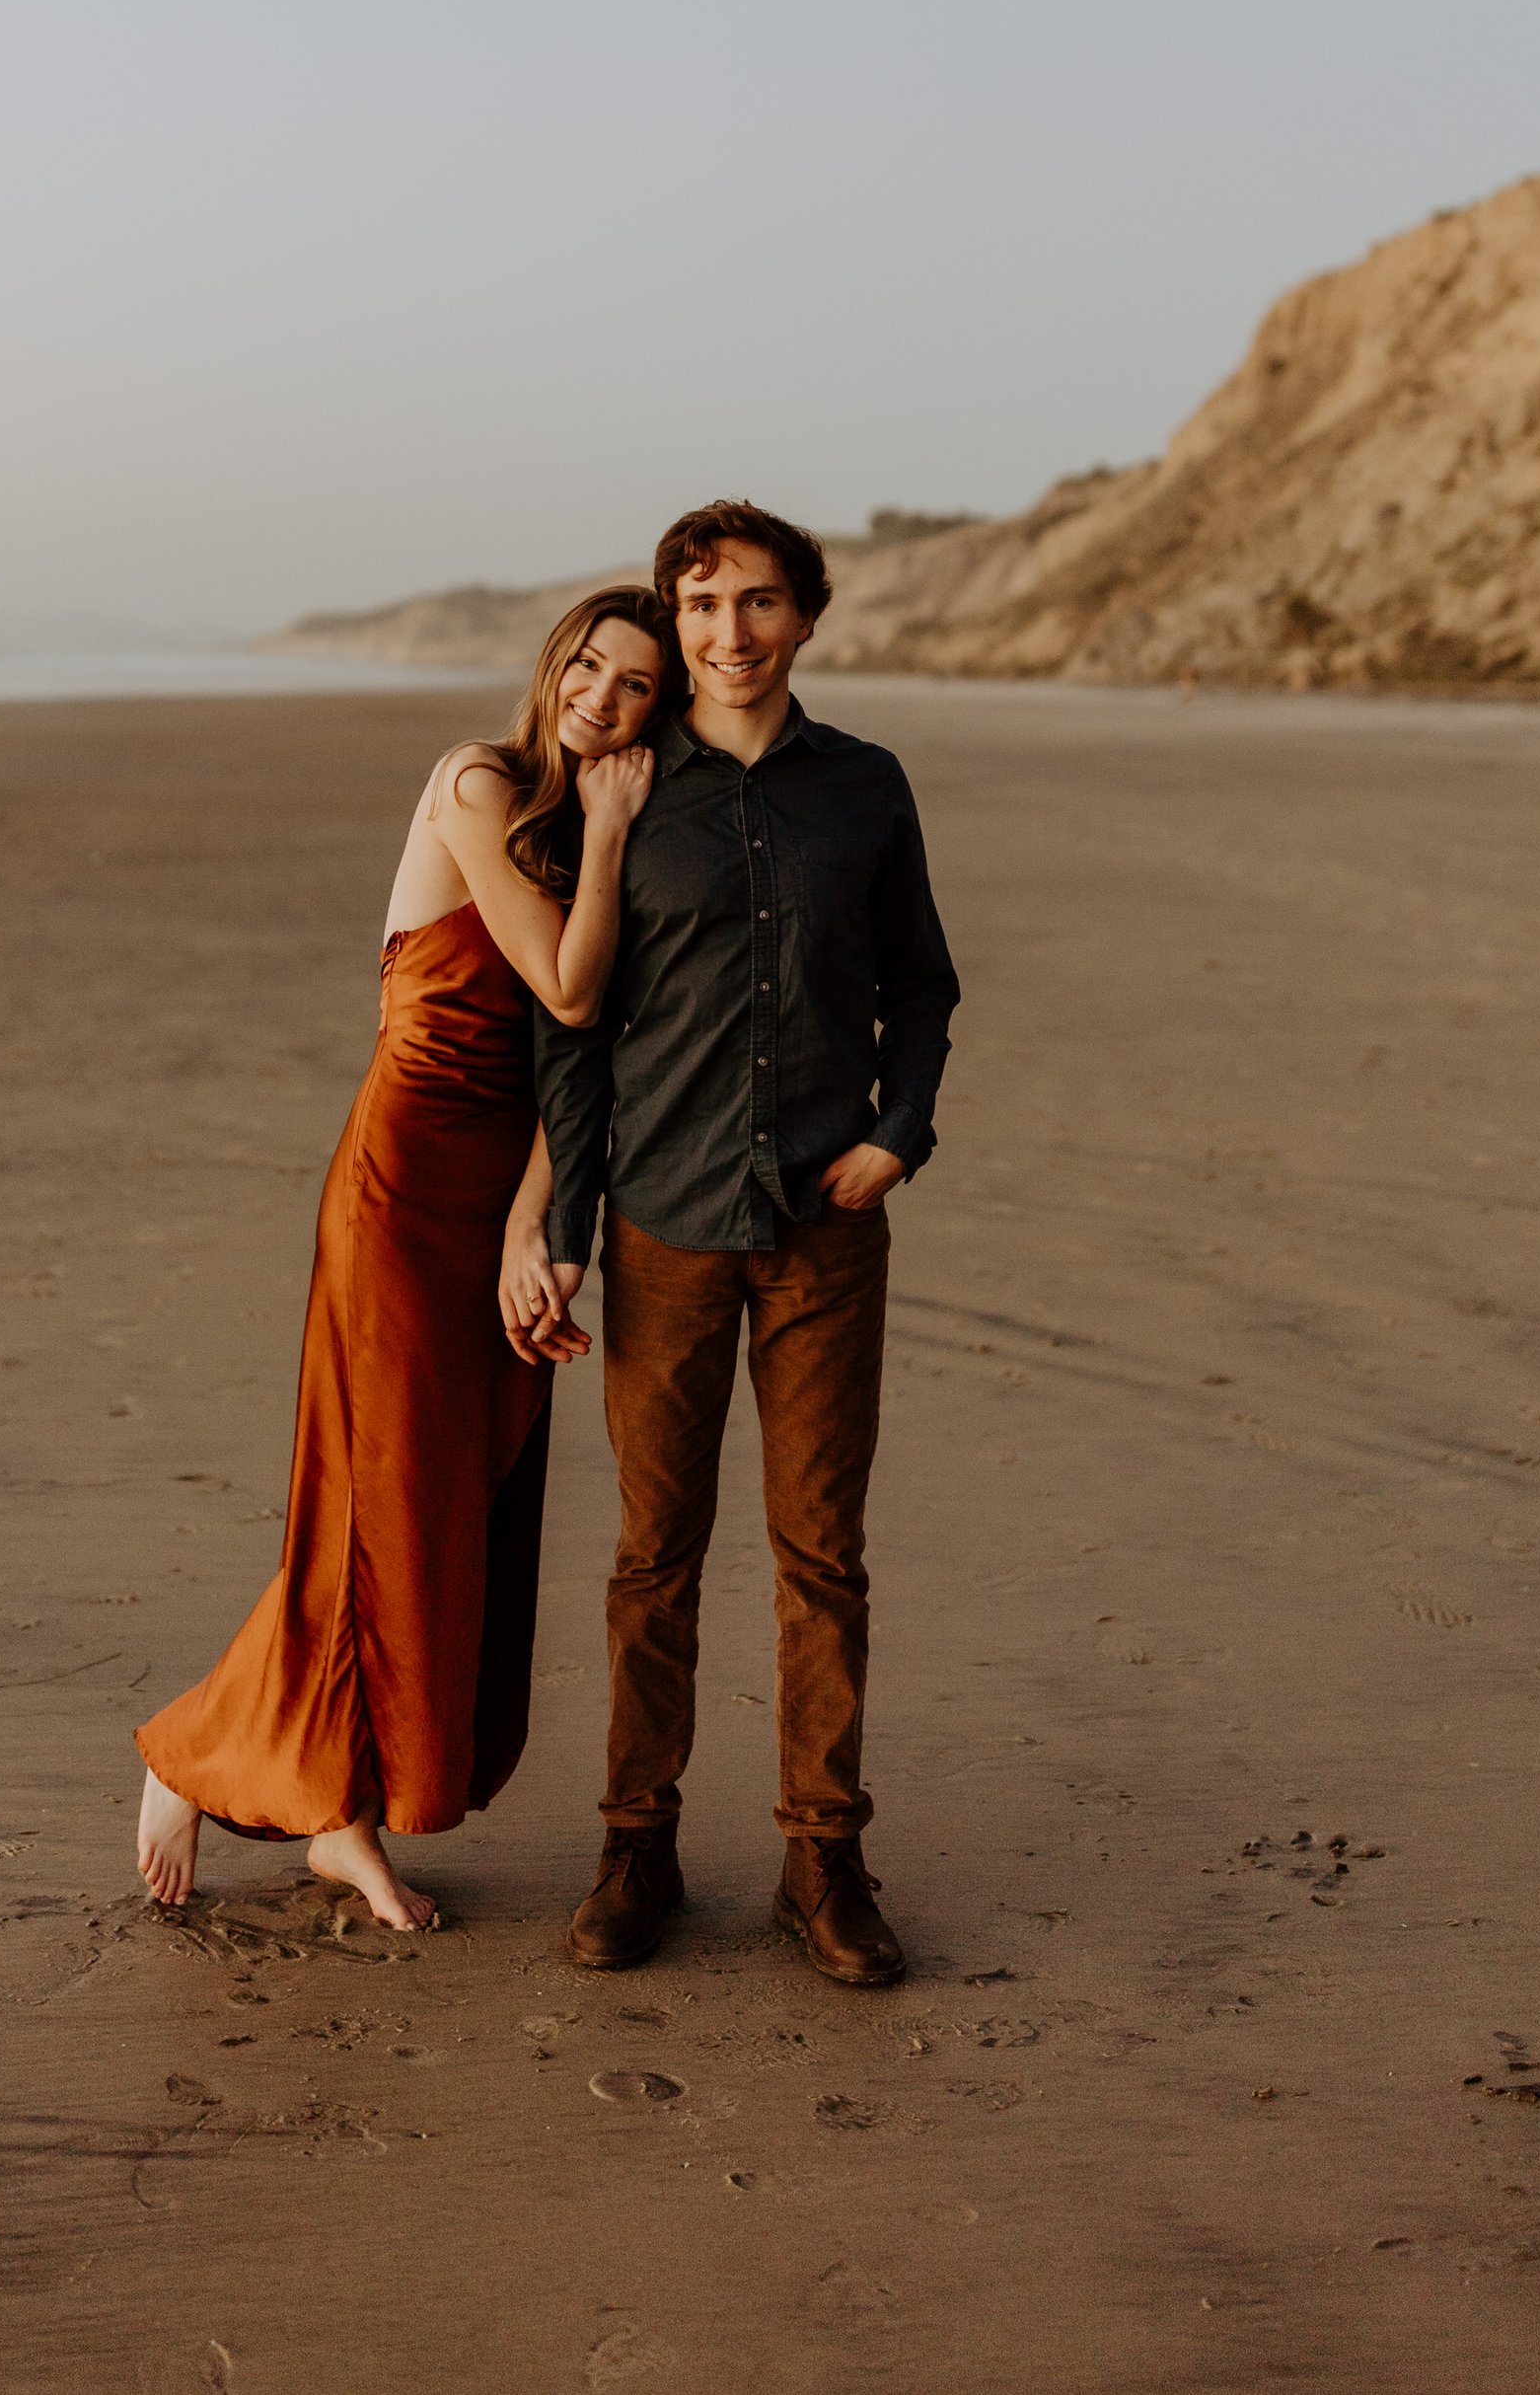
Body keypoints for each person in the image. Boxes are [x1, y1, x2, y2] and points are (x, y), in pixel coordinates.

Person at [131, 589, 677, 1927]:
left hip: (498, 1198)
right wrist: (609, 832)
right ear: (555, 665)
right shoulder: (478, 782)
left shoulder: (584, 835)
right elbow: (565, 985)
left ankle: (330, 1802)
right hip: (397, 1188)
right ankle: (205, 1762)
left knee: (453, 1502)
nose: (602, 699)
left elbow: (585, 1069)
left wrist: (541, 1223)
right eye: (590, 668)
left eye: (637, 689)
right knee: (375, 1506)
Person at [504, 500, 960, 1987]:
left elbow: (925, 988)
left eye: (758, 603)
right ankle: (637, 1849)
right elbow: (573, 1034)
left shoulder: (867, 788)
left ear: (808, 616)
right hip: (667, 1232)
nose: (728, 634)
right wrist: (562, 1225)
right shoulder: (618, 795)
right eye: (701, 607)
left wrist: (904, 1123)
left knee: (824, 1555)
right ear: (673, 619)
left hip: (830, 1229)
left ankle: (822, 1860)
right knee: (654, 1558)